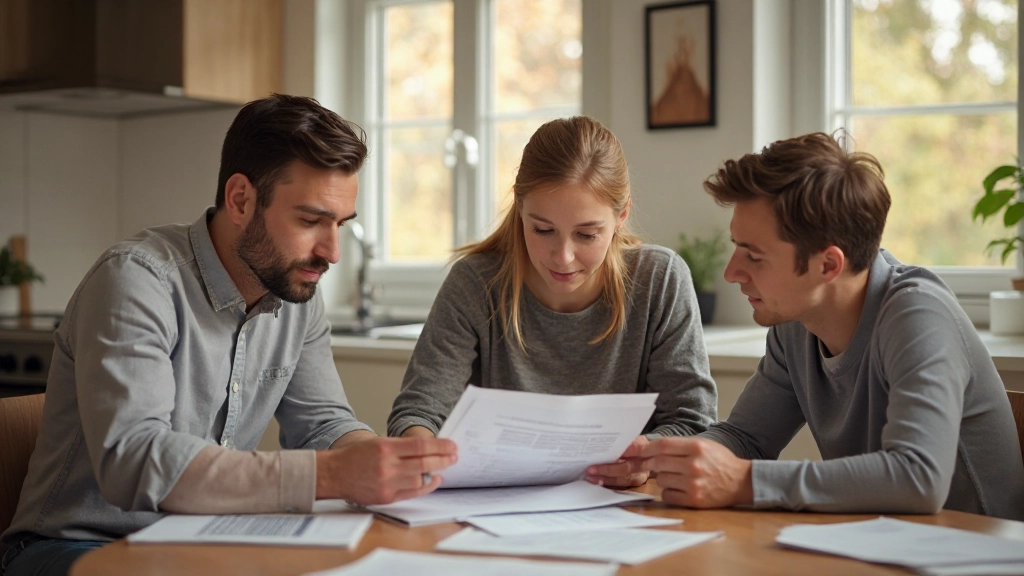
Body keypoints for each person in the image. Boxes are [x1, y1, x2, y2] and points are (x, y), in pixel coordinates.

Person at [0, 94, 457, 576]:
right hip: (71, 548)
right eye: (310, 221)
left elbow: (322, 426)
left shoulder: (297, 291)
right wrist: (334, 474)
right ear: (241, 199)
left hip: (198, 539)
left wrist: (384, 461)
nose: (332, 252)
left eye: (340, 224)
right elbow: (133, 461)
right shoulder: (136, 280)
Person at [637, 132, 1024, 520]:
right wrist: (652, 455)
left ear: (828, 265)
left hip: (973, 552)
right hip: (881, 544)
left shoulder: (918, 315)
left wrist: (745, 481)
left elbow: (918, 478)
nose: (731, 272)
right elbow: (746, 438)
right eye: (737, 246)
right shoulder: (795, 323)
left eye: (754, 256)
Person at [387, 116, 718, 488]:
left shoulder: (659, 279)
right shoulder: (476, 283)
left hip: (625, 508)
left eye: (587, 234)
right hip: (495, 507)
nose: (563, 257)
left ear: (621, 217)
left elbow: (694, 422)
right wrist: (419, 451)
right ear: (519, 207)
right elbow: (418, 411)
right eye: (542, 230)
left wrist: (645, 455)